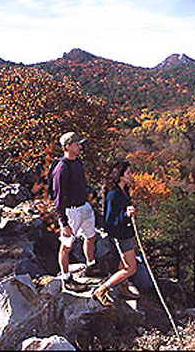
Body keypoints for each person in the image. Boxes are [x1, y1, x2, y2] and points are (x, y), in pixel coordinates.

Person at [52, 131, 98, 291]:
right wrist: (63, 223)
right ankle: (66, 279)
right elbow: (58, 199)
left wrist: (89, 192)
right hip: (71, 212)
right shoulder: (61, 169)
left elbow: (79, 185)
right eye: (77, 144)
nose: (80, 146)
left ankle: (91, 265)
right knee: (66, 247)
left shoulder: (77, 163)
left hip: (84, 207)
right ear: (67, 147)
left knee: (91, 237)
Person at [92, 160, 140, 306]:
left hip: (126, 232)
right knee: (130, 268)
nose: (131, 175)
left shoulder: (124, 190)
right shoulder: (113, 194)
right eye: (128, 173)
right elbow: (109, 220)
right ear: (120, 176)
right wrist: (125, 215)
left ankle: (123, 287)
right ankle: (102, 289)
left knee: (123, 263)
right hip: (121, 235)